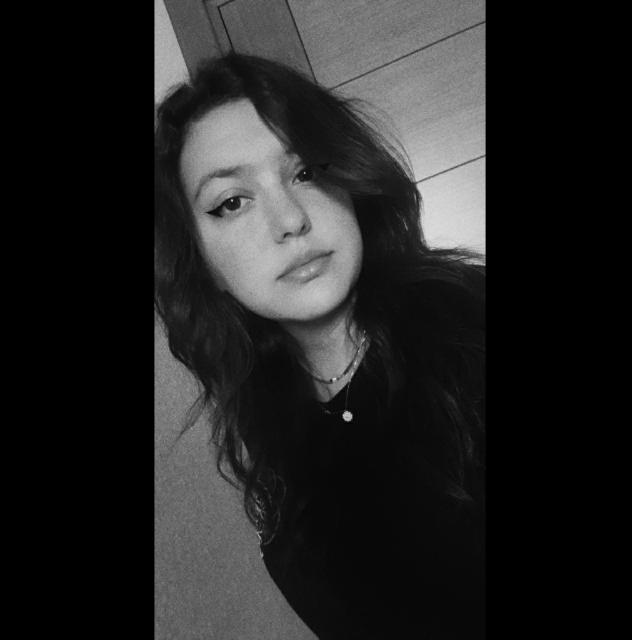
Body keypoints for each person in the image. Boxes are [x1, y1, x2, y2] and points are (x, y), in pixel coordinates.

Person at [155, 53, 485, 639]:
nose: (289, 220)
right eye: (232, 201)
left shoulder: (470, 328)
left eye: (305, 171)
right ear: (201, 262)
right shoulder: (270, 424)